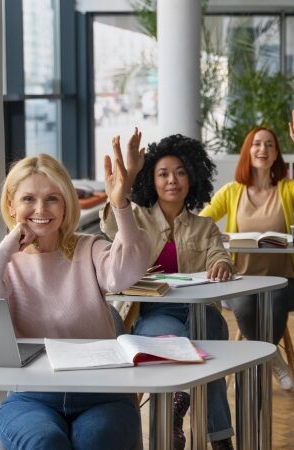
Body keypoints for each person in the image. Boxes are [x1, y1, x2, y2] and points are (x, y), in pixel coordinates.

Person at [0, 151, 151, 450]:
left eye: (52, 198)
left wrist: (120, 204)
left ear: (66, 204)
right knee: (44, 442)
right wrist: (3, 252)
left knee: (94, 440)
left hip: (102, 394)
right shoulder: (0, 264)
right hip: (31, 397)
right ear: (11, 205)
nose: (41, 209)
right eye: (28, 199)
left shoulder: (90, 248)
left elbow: (127, 272)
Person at [100, 129, 236, 450]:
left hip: (201, 311)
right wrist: (125, 181)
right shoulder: (135, 217)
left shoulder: (204, 226)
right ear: (152, 180)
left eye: (180, 172)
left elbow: (219, 255)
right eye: (163, 174)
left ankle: (176, 414)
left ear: (192, 178)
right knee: (200, 357)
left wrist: (222, 264)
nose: (172, 180)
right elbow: (110, 224)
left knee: (206, 346)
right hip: (153, 313)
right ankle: (216, 439)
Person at [200, 108, 294, 391]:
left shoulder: (286, 190)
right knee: (244, 305)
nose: (262, 149)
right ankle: (272, 358)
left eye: (269, 145)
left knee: (275, 301)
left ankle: (260, 360)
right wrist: (216, 235)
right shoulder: (232, 191)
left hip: (282, 281)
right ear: (247, 152)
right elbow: (201, 221)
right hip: (241, 279)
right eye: (257, 144)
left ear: (276, 154)